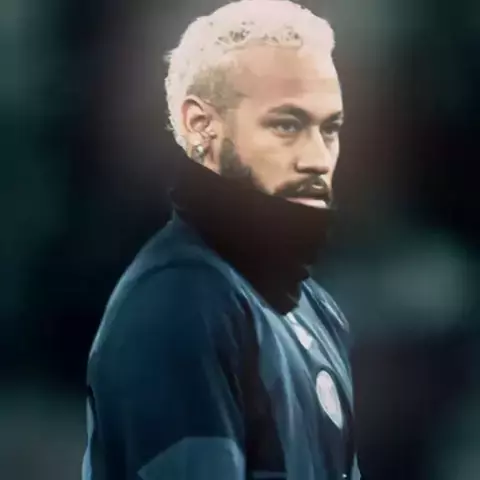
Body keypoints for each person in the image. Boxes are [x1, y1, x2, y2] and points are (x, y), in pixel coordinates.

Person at [82, 1, 362, 479]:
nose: (318, 158)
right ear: (201, 126)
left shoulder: (316, 310)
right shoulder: (178, 303)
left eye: (330, 129)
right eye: (287, 125)